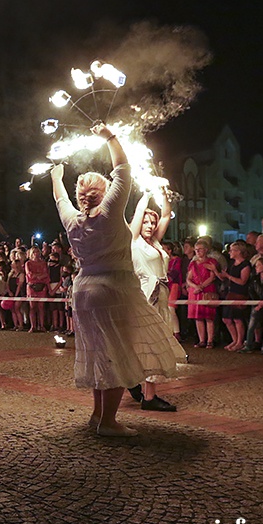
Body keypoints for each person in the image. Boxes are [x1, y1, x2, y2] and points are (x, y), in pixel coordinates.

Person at [51, 123, 179, 437]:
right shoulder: (108, 212)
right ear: (104, 193)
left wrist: (56, 174)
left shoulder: (72, 218)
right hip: (112, 289)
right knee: (120, 354)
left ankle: (98, 416)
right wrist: (109, 137)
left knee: (98, 353)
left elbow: (59, 197)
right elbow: (123, 169)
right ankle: (108, 422)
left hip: (82, 290)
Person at [128, 189, 186, 411]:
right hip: (145, 294)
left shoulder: (156, 243)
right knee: (149, 344)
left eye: (152, 223)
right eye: (145, 222)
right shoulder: (133, 241)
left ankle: (132, 381)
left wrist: (162, 196)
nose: (150, 226)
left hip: (160, 294)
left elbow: (166, 215)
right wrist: (145, 193)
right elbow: (138, 213)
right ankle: (149, 396)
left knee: (151, 342)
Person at [186, 239, 220, 348]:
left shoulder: (212, 262)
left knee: (208, 316)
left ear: (206, 250)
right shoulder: (193, 263)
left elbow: (212, 277)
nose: (198, 252)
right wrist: (196, 287)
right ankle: (202, 340)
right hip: (195, 291)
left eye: (200, 249)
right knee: (198, 317)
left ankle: (210, 340)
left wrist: (201, 287)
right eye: (196, 250)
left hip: (207, 290)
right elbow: (189, 278)